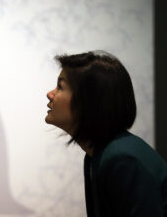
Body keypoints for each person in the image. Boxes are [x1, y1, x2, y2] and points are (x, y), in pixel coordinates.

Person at [45, 50, 167, 216]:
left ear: (89, 100)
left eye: (60, 87)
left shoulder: (122, 158)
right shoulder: (98, 155)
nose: (50, 94)